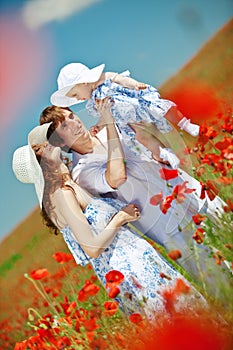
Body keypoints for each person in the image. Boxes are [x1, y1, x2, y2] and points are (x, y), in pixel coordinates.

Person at [39, 99, 232, 303]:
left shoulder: (105, 130)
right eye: (65, 125)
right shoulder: (81, 172)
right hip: (165, 224)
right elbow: (117, 176)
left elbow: (149, 141)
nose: (75, 123)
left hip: (188, 190)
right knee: (217, 278)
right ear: (59, 142)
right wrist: (110, 124)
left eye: (71, 116)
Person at [12, 123, 207, 320]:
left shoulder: (68, 184)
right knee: (181, 319)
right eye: (39, 148)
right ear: (39, 164)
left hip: (137, 261)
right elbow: (91, 248)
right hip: (129, 271)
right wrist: (120, 217)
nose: (47, 144)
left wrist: (96, 138)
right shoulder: (61, 194)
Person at [50, 62, 200, 168]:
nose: (77, 99)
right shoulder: (94, 102)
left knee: (163, 108)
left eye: (75, 94)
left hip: (136, 103)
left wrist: (134, 84)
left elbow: (121, 79)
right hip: (128, 121)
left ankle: (186, 124)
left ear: (83, 82)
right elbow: (105, 114)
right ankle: (164, 153)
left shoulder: (104, 78)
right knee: (141, 137)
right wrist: (99, 126)